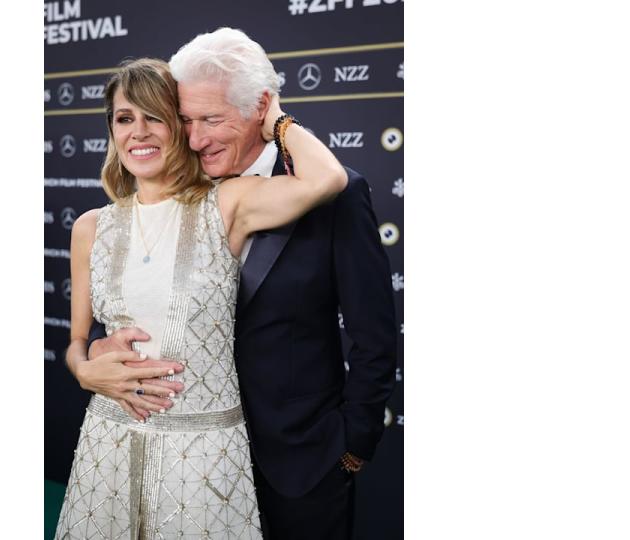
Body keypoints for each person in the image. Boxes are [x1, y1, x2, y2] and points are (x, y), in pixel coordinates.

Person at [80, 29, 398, 539]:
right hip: (188, 464)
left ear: (261, 108)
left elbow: (374, 333)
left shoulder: (336, 192)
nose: (197, 138)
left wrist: (352, 444)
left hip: (300, 465)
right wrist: (95, 353)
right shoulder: (173, 193)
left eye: (212, 119)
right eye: (185, 120)